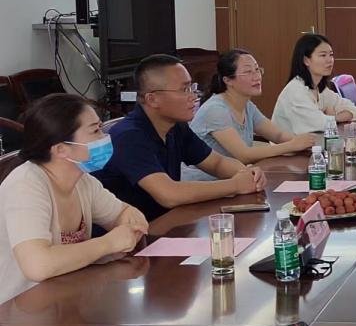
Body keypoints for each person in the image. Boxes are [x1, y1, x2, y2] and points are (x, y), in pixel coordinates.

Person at [0, 94, 149, 304]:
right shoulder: (25, 186)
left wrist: (130, 226)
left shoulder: (82, 180)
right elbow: (38, 266)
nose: (104, 137)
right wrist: (108, 243)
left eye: (101, 128)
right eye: (95, 131)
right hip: (18, 311)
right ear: (61, 149)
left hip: (66, 300)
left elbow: (125, 213)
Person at [93, 54, 266, 221]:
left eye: (192, 88)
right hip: (128, 234)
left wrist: (247, 174)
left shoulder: (175, 127)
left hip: (165, 223)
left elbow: (216, 163)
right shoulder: (128, 136)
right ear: (152, 99)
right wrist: (236, 185)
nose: (193, 96)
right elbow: (169, 194)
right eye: (184, 90)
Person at [182, 49, 318, 181]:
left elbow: (278, 135)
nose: (257, 76)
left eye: (257, 70)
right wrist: (292, 145)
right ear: (228, 80)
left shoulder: (247, 106)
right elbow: (244, 155)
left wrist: (306, 145)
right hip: (204, 183)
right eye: (248, 72)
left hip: (234, 179)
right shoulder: (215, 110)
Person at [272, 34, 356, 134]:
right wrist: (335, 117)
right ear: (306, 60)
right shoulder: (295, 91)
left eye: (331, 55)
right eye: (323, 55)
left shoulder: (320, 89)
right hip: (289, 144)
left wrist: (336, 117)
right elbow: (318, 124)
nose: (329, 60)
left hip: (314, 142)